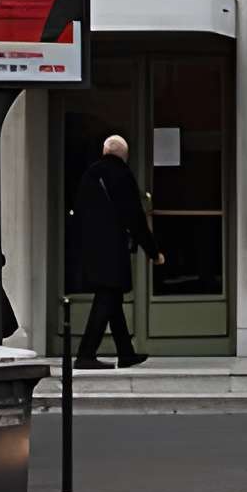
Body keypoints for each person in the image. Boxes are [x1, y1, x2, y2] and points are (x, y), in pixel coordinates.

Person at [71, 134, 163, 370]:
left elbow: (78, 213)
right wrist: (153, 252)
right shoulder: (122, 175)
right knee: (106, 298)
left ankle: (126, 353)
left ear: (104, 152)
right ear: (124, 155)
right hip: (112, 249)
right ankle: (85, 354)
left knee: (112, 299)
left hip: (90, 248)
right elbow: (135, 217)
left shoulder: (89, 175)